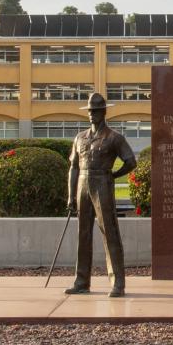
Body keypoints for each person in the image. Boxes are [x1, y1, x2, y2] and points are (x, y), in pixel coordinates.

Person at [65, 93, 137, 298]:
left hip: (102, 184)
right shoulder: (80, 137)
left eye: (95, 111)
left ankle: (117, 283)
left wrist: (114, 175)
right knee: (83, 234)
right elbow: (73, 167)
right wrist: (71, 195)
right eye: (89, 111)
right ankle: (81, 281)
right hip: (82, 185)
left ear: (103, 112)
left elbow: (131, 162)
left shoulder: (114, 137)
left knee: (109, 232)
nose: (91, 115)